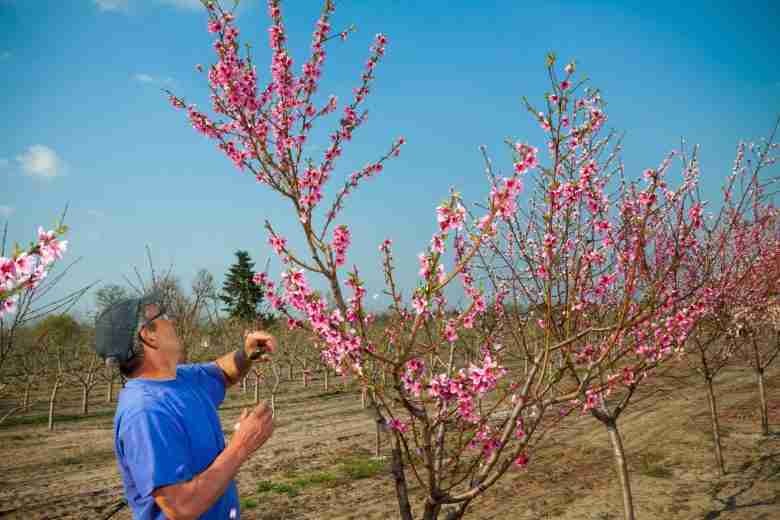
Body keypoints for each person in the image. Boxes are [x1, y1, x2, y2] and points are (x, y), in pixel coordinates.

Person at [94, 291, 276, 519]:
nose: (173, 321)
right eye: (164, 316)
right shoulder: (145, 412)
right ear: (149, 336)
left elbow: (221, 372)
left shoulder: (180, 379)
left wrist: (246, 353)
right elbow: (181, 507)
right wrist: (242, 446)